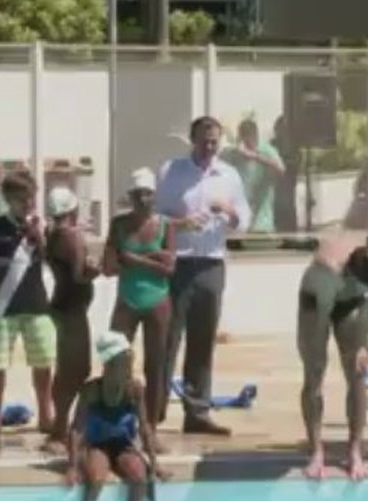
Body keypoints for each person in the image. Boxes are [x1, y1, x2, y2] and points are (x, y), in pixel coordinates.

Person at [155, 116, 252, 435]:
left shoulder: (229, 174)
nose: (210, 147)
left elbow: (245, 220)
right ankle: (153, 412)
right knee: (167, 339)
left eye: (215, 141)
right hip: (178, 264)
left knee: (203, 340)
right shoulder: (172, 171)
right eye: (204, 141)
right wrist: (182, 222)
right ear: (192, 139)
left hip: (211, 264)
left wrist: (229, 210)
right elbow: (156, 217)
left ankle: (197, 412)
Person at [0, 173, 56, 445]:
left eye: (31, 197)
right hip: (3, 306)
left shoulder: (43, 227)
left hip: (36, 304)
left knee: (43, 362)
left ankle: (46, 412)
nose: (28, 203)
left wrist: (39, 237)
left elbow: (52, 260)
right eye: (22, 198)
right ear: (8, 199)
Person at [297, 234, 368, 480]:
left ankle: (355, 450)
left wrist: (360, 346)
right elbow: (321, 318)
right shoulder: (325, 275)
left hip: (351, 305)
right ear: (348, 272)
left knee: (358, 374)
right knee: (314, 373)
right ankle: (316, 450)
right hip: (314, 303)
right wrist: (315, 352)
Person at [105, 168, 175, 450]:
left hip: (157, 300)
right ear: (131, 197)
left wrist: (132, 258)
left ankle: (150, 428)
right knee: (115, 360)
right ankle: (116, 421)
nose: (144, 199)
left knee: (156, 365)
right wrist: (153, 258)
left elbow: (169, 269)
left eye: (148, 194)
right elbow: (109, 267)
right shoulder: (119, 225)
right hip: (128, 299)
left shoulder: (165, 224)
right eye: (139, 194)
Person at [66, 331, 169, 501]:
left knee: (139, 477)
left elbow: (144, 427)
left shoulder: (134, 389)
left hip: (123, 446)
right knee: (96, 478)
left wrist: (155, 463)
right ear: (108, 364)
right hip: (96, 445)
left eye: (127, 360)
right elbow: (76, 429)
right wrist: (72, 466)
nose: (127, 365)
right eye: (122, 361)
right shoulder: (91, 391)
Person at [44, 186, 98, 454]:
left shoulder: (52, 234)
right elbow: (79, 276)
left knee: (67, 368)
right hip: (73, 308)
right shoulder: (72, 237)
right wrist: (95, 271)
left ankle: (61, 425)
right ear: (72, 210)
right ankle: (60, 429)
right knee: (77, 370)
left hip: (62, 304)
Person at [225, 118, 285, 235]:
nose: (247, 144)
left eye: (250, 140)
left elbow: (281, 171)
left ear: (255, 136)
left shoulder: (267, 150)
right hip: (239, 216)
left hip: (261, 219)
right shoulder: (234, 153)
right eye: (244, 139)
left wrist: (255, 157)